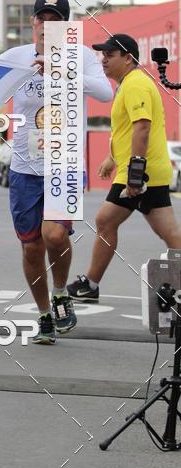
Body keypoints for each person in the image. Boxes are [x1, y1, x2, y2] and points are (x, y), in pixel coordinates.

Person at [0, 0, 112, 344]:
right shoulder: (14, 58)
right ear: (33, 23)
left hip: (65, 162)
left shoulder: (83, 58)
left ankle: (61, 291)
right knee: (31, 248)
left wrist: (62, 70)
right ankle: (45, 312)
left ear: (66, 26)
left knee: (55, 235)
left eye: (55, 20)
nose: (47, 26)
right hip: (24, 167)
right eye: (41, 19)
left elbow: (105, 93)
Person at [68, 34, 181, 302]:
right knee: (169, 233)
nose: (103, 59)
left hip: (142, 173)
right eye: (102, 54)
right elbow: (127, 129)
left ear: (128, 58)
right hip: (143, 170)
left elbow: (142, 128)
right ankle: (91, 284)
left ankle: (91, 285)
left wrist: (135, 174)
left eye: (110, 55)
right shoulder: (129, 84)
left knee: (106, 220)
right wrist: (111, 157)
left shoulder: (136, 85)